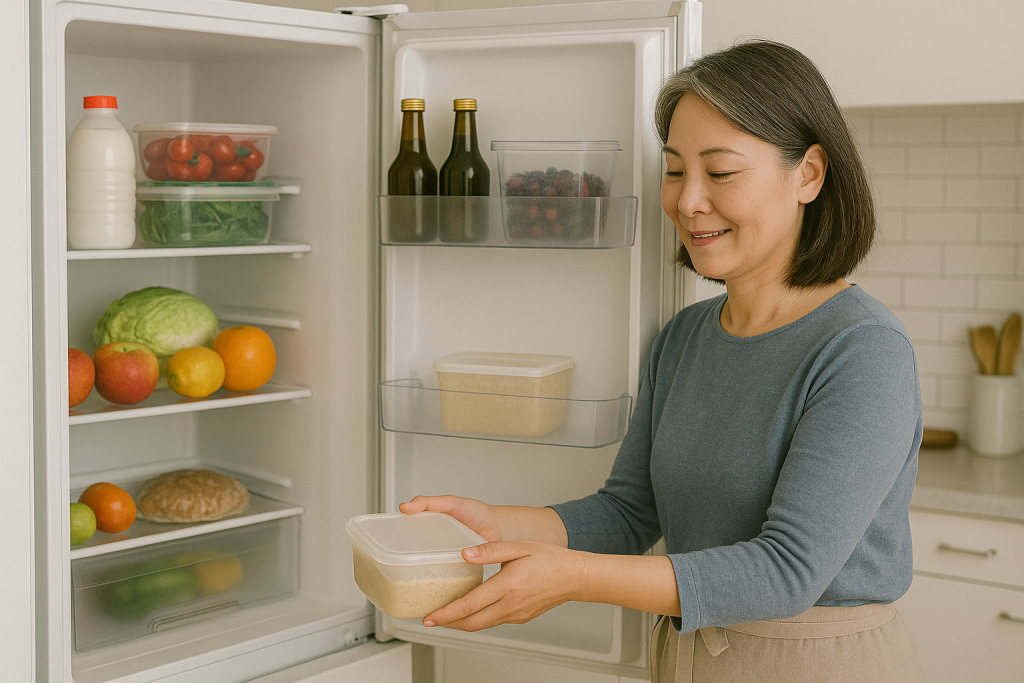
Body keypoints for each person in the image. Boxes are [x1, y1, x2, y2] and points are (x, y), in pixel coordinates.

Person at [400, 40, 925, 682]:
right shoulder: (685, 338)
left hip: (815, 664)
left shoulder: (862, 350)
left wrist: (574, 579)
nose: (688, 200)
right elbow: (628, 512)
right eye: (675, 170)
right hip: (692, 658)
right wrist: (494, 523)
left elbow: (787, 570)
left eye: (721, 172)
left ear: (808, 175)